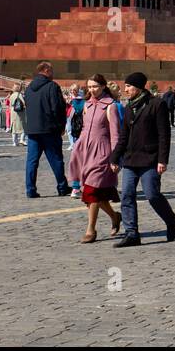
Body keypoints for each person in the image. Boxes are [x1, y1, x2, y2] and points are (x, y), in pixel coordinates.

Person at [110, 72, 175, 248]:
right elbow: (123, 136)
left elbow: (164, 135)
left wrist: (163, 160)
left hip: (150, 159)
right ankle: (132, 233)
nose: (125, 90)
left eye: (128, 86)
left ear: (139, 87)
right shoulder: (128, 108)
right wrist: (115, 157)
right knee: (126, 195)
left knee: (152, 195)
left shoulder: (157, 104)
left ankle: (171, 220)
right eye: (125, 86)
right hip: (131, 160)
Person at [68, 74, 124, 243]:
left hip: (102, 153)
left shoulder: (111, 106)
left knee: (91, 191)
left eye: (95, 86)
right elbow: (84, 129)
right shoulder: (87, 105)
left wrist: (115, 158)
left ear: (103, 86)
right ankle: (115, 216)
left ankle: (91, 230)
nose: (92, 90)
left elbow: (115, 135)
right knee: (97, 194)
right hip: (86, 151)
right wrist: (77, 148)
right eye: (89, 87)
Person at [22, 62, 71, 198]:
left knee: (32, 161)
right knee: (56, 159)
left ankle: (30, 190)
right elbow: (58, 108)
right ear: (46, 70)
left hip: (33, 130)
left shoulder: (29, 88)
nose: (53, 73)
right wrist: (61, 126)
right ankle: (62, 187)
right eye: (52, 70)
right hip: (49, 130)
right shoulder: (52, 86)